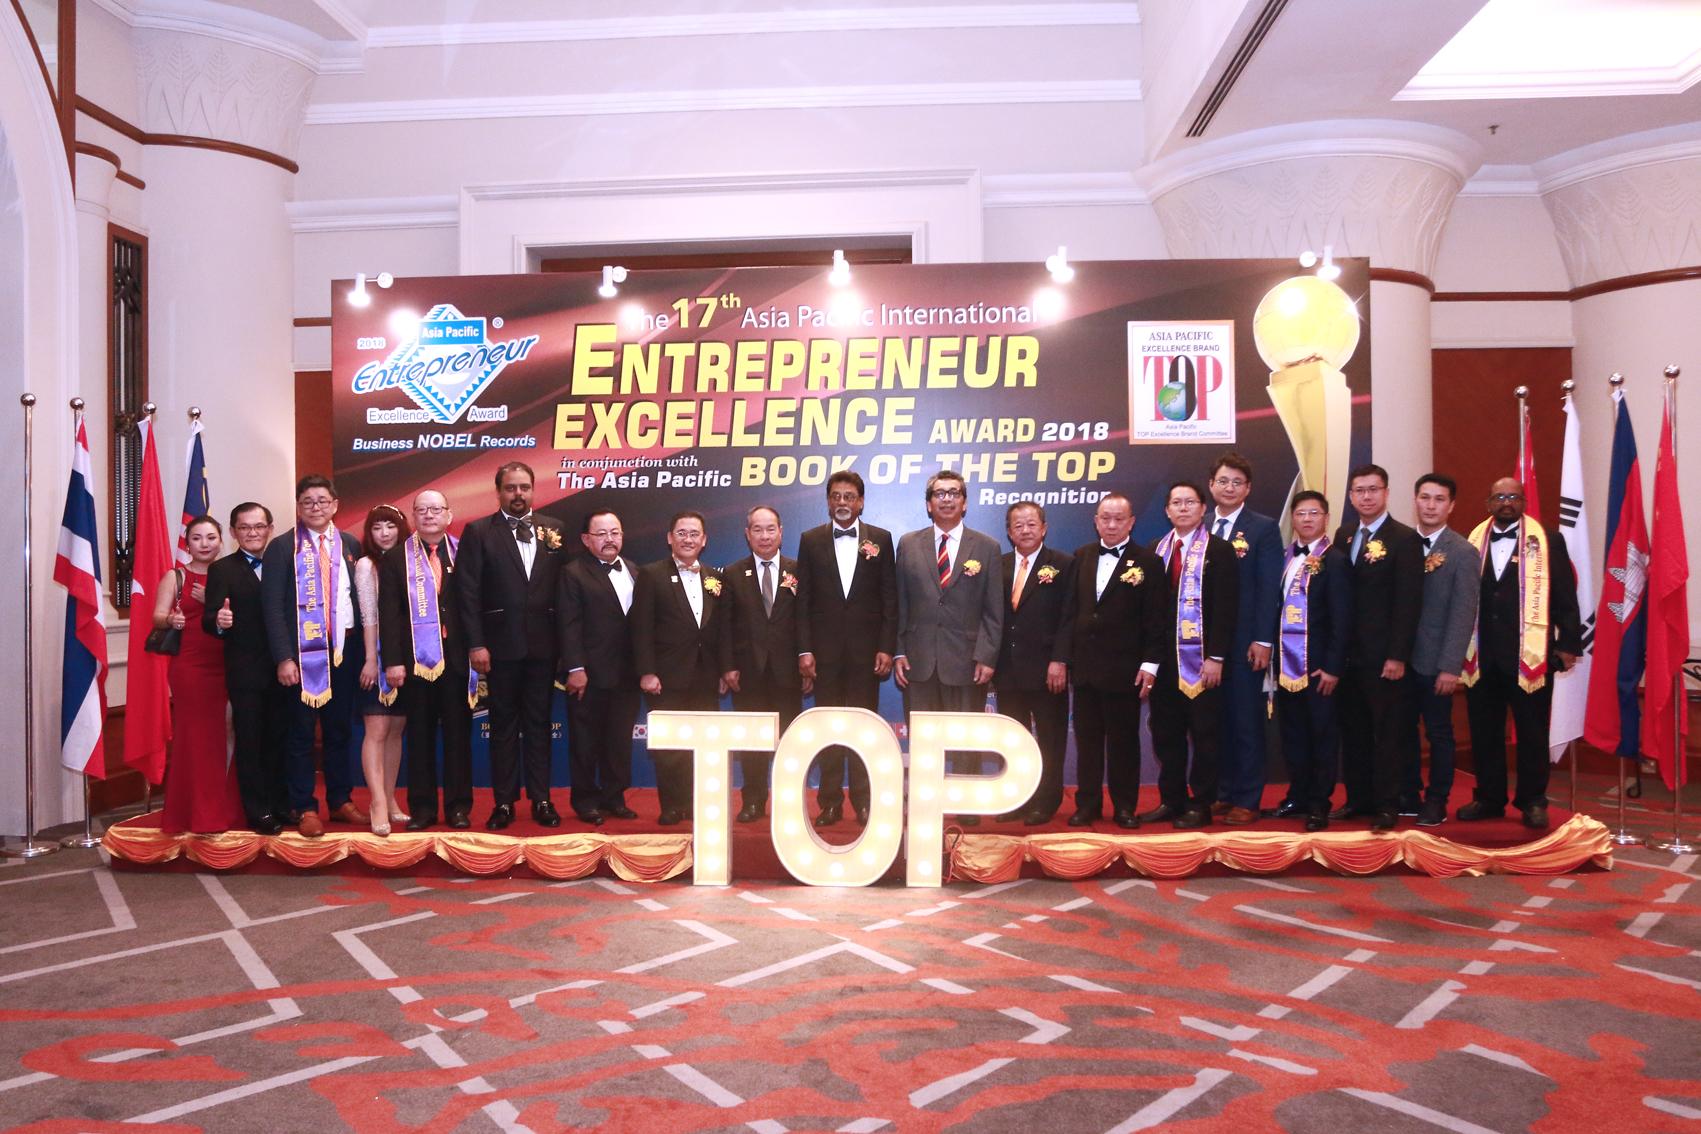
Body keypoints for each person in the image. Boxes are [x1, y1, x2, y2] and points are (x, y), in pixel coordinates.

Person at [1458, 477, 1583, 830]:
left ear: (1524, 502)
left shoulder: (1548, 541)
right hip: (1481, 656)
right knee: (1484, 732)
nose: (1507, 502)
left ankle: (1533, 801)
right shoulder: (1470, 543)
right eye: (1500, 496)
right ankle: (1489, 798)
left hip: (1530, 656)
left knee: (1532, 732)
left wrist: (1568, 645)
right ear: (1488, 503)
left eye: (1514, 496)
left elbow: (1565, 595)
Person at [455, 462, 567, 831]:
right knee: (502, 726)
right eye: (510, 488)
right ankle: (503, 803)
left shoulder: (554, 529)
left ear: (533, 490)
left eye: (524, 487)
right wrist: (476, 644)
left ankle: (542, 799)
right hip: (498, 648)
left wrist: (564, 646)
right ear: (499, 492)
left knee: (539, 725)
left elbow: (563, 592)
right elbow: (467, 593)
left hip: (544, 647)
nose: (517, 494)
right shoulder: (478, 531)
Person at [893, 469, 1004, 825]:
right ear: (929, 504)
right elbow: (899, 603)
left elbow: (994, 610)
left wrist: (987, 655)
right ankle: (925, 804)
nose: (946, 499)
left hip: (967, 660)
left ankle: (967, 807)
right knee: (924, 741)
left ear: (964, 502)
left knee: (965, 739)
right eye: (939, 493)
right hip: (919, 660)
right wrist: (898, 650)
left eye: (954, 493)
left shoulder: (986, 547)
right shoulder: (909, 543)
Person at [262, 475, 366, 838]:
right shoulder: (282, 547)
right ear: (298, 507)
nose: (315, 507)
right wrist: (283, 657)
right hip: (302, 657)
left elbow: (357, 600)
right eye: (307, 501)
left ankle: (340, 800)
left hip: (344, 652)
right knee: (302, 734)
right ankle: (304, 806)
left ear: (335, 505)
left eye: (322, 501)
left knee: (340, 731)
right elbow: (272, 607)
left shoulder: (350, 543)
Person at [795, 471, 898, 827]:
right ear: (828, 502)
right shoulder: (810, 540)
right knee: (829, 730)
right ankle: (830, 803)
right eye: (836, 496)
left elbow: (889, 599)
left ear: (861, 502)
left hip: (866, 655)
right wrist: (804, 649)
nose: (842, 502)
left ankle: (864, 802)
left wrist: (886, 647)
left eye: (849, 496)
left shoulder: (881, 539)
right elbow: (803, 600)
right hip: (823, 655)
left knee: (863, 731)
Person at [1057, 493, 1165, 827]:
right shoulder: (1082, 555)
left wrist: (1150, 664)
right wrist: (1064, 659)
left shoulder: (1148, 562)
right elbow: (1070, 612)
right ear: (1096, 521)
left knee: (1123, 743)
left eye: (1119, 518)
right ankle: (1088, 805)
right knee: (1087, 742)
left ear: (1131, 522)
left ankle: (1124, 807)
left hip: (1125, 669)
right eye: (1106, 518)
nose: (1112, 524)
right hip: (1086, 669)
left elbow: (1156, 619)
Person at [1331, 463, 1425, 830]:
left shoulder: (1404, 538)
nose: (1366, 496)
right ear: (1351, 496)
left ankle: (1387, 804)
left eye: (1373, 489)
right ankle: (1358, 799)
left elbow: (1408, 603)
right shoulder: (1343, 535)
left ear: (1386, 493)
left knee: (1387, 734)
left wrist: (1397, 655)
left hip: (1385, 658)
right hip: (1347, 657)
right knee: (1353, 732)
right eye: (1359, 490)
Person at [1144, 481, 1239, 829]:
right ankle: (1172, 800)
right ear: (1167, 510)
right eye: (1176, 503)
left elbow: (1227, 608)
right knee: (1166, 734)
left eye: (1190, 502)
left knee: (1205, 736)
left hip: (1203, 662)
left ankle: (1201, 803)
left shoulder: (1220, 550)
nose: (1183, 508)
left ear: (1203, 508)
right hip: (1165, 664)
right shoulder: (1156, 550)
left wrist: (1217, 657)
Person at [381, 491, 477, 831]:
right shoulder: (397, 558)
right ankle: (422, 810)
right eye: (421, 510)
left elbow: (474, 605)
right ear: (413, 517)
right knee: (419, 739)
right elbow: (389, 613)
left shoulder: (465, 553)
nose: (429, 515)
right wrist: (392, 660)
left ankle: (458, 808)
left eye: (436, 509)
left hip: (457, 659)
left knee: (457, 738)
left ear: (449, 515)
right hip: (415, 663)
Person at [632, 511, 725, 825]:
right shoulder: (651, 574)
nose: (688, 539)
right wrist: (647, 671)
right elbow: (641, 627)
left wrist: (723, 670)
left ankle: (698, 804)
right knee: (670, 746)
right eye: (682, 533)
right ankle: (672, 806)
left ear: (704, 540)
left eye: (694, 533)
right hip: (665, 676)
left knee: (704, 745)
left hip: (705, 676)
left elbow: (720, 629)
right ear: (670, 538)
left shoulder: (715, 578)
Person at [1267, 492, 1353, 831]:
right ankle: (1298, 796)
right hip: (1286, 666)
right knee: (1294, 735)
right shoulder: (1284, 558)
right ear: (1292, 519)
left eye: (1314, 513)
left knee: (1321, 737)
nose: (1306, 519)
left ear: (1326, 518)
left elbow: (1342, 619)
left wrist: (1333, 666)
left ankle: (1319, 804)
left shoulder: (1336, 560)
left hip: (1319, 667)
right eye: (1300, 513)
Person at [1205, 454, 1283, 824]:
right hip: (1205, 644)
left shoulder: (1263, 529)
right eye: (1223, 481)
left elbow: (1269, 588)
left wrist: (1264, 639)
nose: (1229, 488)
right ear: (1211, 486)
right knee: (1216, 722)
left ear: (1248, 489)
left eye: (1237, 482)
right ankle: (1225, 793)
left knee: (1246, 722)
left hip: (1245, 642)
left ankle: (1248, 799)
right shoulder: (1200, 525)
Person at [157, 516, 245, 834]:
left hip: (230, 663)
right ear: (187, 543)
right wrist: (172, 620)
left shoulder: (233, 572)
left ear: (222, 541)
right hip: (191, 667)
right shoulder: (176, 576)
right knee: (197, 739)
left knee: (231, 734)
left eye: (210, 537)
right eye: (197, 538)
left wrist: (210, 601)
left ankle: (227, 809)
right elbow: (157, 616)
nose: (204, 544)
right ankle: (196, 813)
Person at [204, 502, 288, 835]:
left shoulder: (287, 563)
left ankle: (280, 804)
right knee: (250, 742)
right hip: (246, 672)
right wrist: (220, 620)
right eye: (244, 527)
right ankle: (257, 811)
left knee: (279, 739)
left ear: (270, 529)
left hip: (285, 669)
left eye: (258, 526)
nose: (252, 533)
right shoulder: (221, 570)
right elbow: (209, 618)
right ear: (233, 532)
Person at [720, 506, 809, 822]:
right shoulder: (732, 573)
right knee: (752, 743)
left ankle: (789, 803)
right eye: (757, 529)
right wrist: (727, 665)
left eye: (771, 529)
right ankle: (753, 802)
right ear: (747, 534)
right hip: (748, 674)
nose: (765, 536)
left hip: (789, 673)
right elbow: (724, 625)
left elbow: (807, 620)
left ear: (781, 532)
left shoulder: (799, 570)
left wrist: (807, 661)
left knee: (790, 743)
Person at [992, 501, 1076, 825]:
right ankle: (1018, 799)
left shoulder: (1063, 564)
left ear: (1044, 528)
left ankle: (1046, 800)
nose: (1025, 531)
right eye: (1018, 525)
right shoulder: (997, 565)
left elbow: (1069, 618)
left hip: (1047, 670)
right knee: (1015, 740)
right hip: (1007, 669)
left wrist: (1060, 660)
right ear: (1009, 532)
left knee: (1051, 739)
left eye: (1031, 524)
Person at [1405, 474, 1480, 827]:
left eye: (1439, 499)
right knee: (1401, 731)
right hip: (1399, 660)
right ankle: (1407, 793)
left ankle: (1436, 799)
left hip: (1436, 663)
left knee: (1438, 733)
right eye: (1425, 497)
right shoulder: (1402, 543)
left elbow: (1464, 614)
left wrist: (1451, 666)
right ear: (1415, 500)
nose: (1431, 505)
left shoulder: (1463, 552)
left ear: (1451, 506)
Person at [559, 509, 640, 825]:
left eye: (615, 533)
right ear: (586, 539)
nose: (609, 539)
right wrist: (575, 668)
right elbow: (568, 625)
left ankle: (614, 798)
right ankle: (585, 801)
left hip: (627, 675)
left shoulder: (634, 570)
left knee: (619, 741)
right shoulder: (573, 573)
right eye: (602, 533)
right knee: (585, 742)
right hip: (588, 675)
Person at [355, 504, 410, 836]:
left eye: (390, 526)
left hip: (404, 658)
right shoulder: (366, 565)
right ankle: (376, 802)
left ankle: (389, 799)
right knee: (376, 730)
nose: (384, 533)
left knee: (395, 731)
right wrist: (371, 660)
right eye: (377, 528)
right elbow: (369, 617)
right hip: (374, 656)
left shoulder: (411, 561)